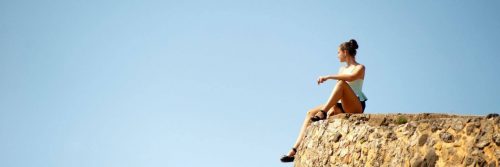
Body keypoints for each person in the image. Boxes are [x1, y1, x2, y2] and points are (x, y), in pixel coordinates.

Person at [280, 39, 368, 163]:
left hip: (356, 106)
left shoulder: (360, 67)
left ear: (345, 52)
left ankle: (323, 112)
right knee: (309, 113)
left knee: (342, 84)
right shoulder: (341, 69)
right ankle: (294, 149)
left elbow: (351, 78)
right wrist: (333, 106)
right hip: (341, 104)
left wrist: (328, 77)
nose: (337, 55)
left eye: (338, 52)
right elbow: (338, 92)